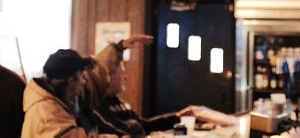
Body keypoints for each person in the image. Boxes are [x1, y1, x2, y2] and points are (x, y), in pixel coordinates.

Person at [87, 35, 235, 137]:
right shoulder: (98, 105)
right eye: (122, 73)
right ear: (108, 76)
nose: (126, 77)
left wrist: (178, 117)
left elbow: (143, 124)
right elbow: (128, 131)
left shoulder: (118, 102)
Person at [22, 48, 109, 138]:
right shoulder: (48, 114)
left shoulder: (61, 103)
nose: (84, 81)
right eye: (82, 77)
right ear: (71, 81)